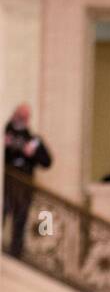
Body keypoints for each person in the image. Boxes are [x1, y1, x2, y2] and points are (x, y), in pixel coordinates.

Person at [4, 103, 52, 258]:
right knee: (4, 210)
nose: (22, 118)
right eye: (20, 115)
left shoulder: (33, 139)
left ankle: (16, 252)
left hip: (24, 185)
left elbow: (47, 162)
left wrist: (32, 154)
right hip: (6, 182)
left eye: (25, 116)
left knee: (21, 217)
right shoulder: (5, 133)